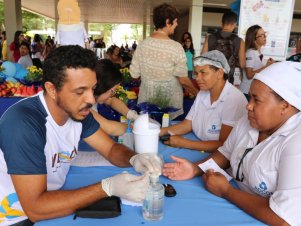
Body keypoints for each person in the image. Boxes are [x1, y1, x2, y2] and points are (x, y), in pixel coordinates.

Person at [0, 45, 162, 225]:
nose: (91, 100)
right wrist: (107, 188)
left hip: (50, 203)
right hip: (14, 217)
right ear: (52, 89)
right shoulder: (24, 123)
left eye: (92, 89)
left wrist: (135, 158)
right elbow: (35, 209)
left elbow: (110, 149)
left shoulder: (77, 112)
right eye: (80, 91)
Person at [163, 61, 301, 225]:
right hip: (239, 204)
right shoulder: (250, 120)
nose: (248, 106)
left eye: (257, 100)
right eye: (250, 97)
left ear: (285, 106)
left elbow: (283, 218)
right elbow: (225, 153)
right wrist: (196, 169)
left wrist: (226, 191)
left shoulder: (295, 141)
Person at [160, 50, 247, 152]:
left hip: (215, 153)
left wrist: (183, 143)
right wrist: (158, 131)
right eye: (197, 73)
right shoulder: (203, 93)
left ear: (219, 73)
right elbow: (187, 124)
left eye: (203, 73)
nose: (197, 78)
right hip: (196, 142)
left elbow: (223, 145)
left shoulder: (234, 99)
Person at [130, 3, 199, 120]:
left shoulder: (142, 45)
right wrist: (198, 93)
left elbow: (134, 75)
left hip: (147, 104)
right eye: (175, 21)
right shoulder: (176, 47)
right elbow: (183, 80)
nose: (177, 24)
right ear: (168, 22)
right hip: (170, 106)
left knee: (149, 134)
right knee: (168, 134)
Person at [92, 59, 138, 136]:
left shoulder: (94, 96)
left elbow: (112, 101)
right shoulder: (84, 106)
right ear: (103, 86)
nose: (112, 94)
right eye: (112, 91)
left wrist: (132, 115)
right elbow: (110, 128)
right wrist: (138, 127)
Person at [201, 12, 245, 84]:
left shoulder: (210, 38)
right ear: (234, 24)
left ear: (222, 23)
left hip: (212, 78)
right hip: (228, 80)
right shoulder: (239, 41)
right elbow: (242, 64)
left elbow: (202, 58)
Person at [239, 25, 275, 100]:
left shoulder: (257, 53)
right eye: (261, 35)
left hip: (251, 91)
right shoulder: (251, 53)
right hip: (246, 92)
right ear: (254, 39)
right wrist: (266, 66)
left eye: (264, 34)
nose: (265, 37)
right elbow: (249, 75)